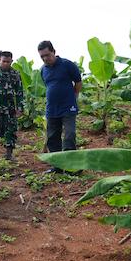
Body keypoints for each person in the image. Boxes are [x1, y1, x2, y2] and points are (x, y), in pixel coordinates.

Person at [37, 41, 82, 173]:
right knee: (52, 137)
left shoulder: (67, 65)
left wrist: (73, 96)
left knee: (69, 135)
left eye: (47, 55)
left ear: (54, 51)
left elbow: (78, 82)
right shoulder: (43, 70)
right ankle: (57, 166)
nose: (45, 58)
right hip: (52, 109)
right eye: (42, 56)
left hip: (68, 107)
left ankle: (70, 166)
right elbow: (49, 86)